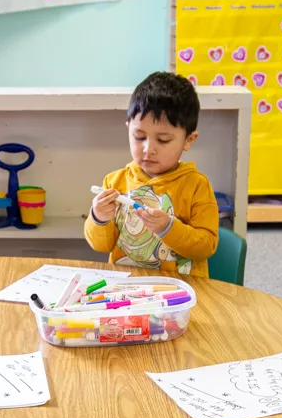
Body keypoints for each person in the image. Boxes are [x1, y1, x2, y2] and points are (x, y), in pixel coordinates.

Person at [84, 72, 219, 276]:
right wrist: (98, 218)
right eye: (139, 137)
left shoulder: (197, 186)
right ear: (129, 129)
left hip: (179, 292)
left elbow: (207, 246)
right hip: (126, 289)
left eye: (163, 140)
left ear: (189, 140)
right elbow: (101, 245)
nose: (148, 149)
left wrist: (169, 228)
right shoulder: (114, 182)